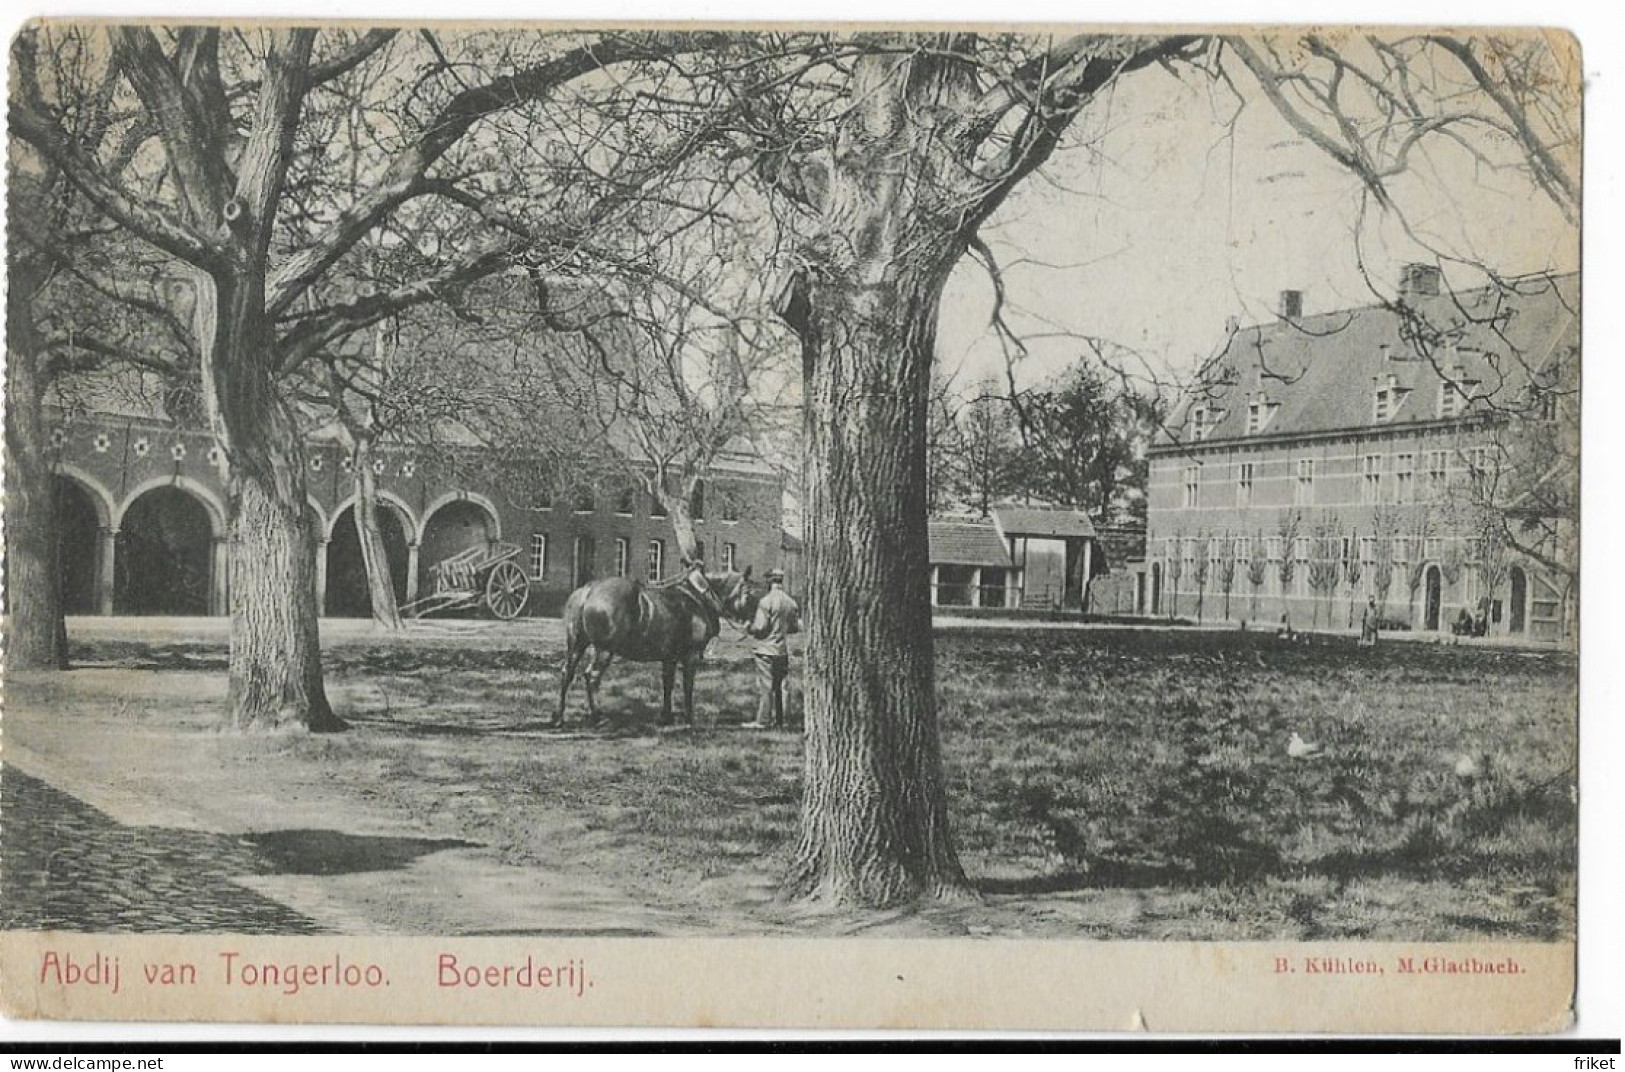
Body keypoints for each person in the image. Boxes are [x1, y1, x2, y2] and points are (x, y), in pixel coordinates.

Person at [744, 568, 801, 730]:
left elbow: (760, 627)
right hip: (781, 650)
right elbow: (794, 628)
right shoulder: (791, 602)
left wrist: (749, 627)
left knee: (766, 686)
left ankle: (763, 721)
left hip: (765, 650)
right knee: (783, 686)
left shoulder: (765, 602)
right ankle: (784, 720)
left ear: (769, 581)